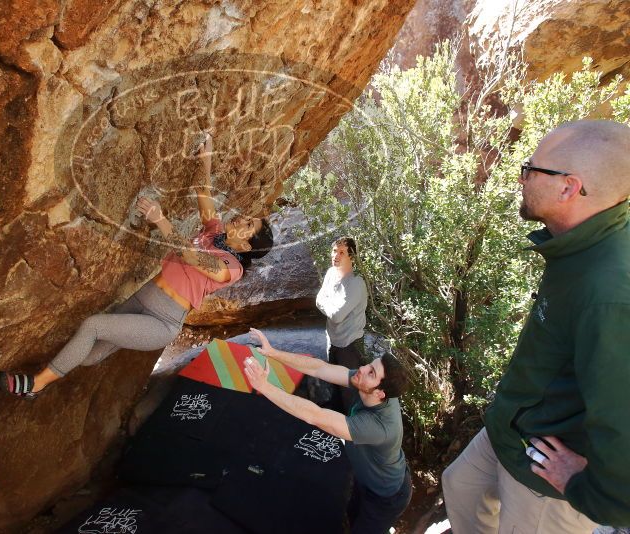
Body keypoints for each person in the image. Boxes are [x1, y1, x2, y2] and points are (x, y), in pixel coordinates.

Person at [442, 120, 630, 532]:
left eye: (531, 169)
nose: (521, 177)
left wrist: (586, 488)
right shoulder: (578, 245)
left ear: (568, 187)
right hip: (511, 431)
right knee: (459, 486)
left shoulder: (610, 292)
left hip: (546, 468)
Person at [0, 134, 274, 397]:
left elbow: (191, 257)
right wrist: (206, 157)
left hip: (161, 321)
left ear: (248, 246)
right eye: (245, 217)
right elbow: (203, 189)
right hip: (142, 297)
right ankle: (60, 365)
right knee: (91, 355)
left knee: (93, 326)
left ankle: (36, 385)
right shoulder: (214, 232)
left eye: (248, 225)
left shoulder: (232, 268)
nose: (240, 219)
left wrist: (159, 218)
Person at [244, 327, 411, 534]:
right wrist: (272, 352)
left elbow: (315, 416)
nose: (362, 368)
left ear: (380, 393)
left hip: (385, 497)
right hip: (367, 478)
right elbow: (319, 369)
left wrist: (265, 386)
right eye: (369, 364)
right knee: (351, 513)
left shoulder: (380, 427)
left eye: (371, 372)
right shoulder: (367, 385)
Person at [316, 236, 368, 412]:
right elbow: (318, 300)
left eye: (342, 252)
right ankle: (335, 420)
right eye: (334, 251)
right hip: (334, 341)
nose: (336, 255)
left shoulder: (356, 283)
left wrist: (328, 304)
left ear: (351, 257)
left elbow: (337, 316)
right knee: (335, 384)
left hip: (350, 345)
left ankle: (352, 431)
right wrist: (330, 305)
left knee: (350, 391)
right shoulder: (331, 274)